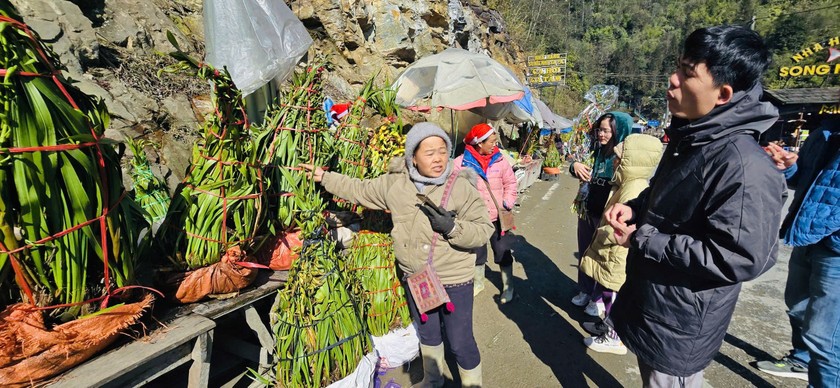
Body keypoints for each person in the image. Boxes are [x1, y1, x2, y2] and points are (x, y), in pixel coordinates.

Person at [604, 25, 786, 386]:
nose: (672, 80)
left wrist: (645, 239)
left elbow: (741, 257)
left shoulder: (743, 165)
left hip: (681, 322)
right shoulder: (693, 136)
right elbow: (670, 194)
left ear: (723, 93)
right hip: (654, 301)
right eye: (678, 67)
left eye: (687, 73)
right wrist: (637, 207)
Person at [301, 122, 493, 387]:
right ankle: (433, 380)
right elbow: (360, 189)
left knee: (460, 341)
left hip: (453, 278)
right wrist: (325, 178)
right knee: (428, 334)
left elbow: (484, 230)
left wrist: (452, 228)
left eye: (442, 151)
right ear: (412, 156)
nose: (438, 158)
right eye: (429, 152)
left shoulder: (460, 187)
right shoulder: (395, 185)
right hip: (418, 278)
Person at [756, 117, 840, 385]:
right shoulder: (826, 131)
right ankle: (801, 360)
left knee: (826, 338)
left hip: (836, 249)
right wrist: (788, 168)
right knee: (798, 308)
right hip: (809, 234)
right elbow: (809, 180)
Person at [578, 134, 663, 355]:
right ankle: (605, 326)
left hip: (617, 254)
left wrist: (603, 233)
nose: (615, 161)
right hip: (612, 252)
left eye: (620, 158)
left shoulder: (634, 188)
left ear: (632, 161)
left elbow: (620, 227)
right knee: (607, 290)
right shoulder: (626, 183)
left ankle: (614, 338)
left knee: (613, 295)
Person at [569, 111, 632, 317]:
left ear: (618, 130)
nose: (601, 134)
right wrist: (574, 165)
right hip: (587, 211)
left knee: (602, 257)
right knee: (585, 251)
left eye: (606, 130)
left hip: (607, 216)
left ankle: (598, 298)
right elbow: (573, 160)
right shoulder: (594, 150)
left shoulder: (623, 156)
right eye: (599, 130)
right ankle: (585, 290)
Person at [452, 123, 518, 303]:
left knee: (503, 251)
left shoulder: (500, 160)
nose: (494, 145)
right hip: (475, 219)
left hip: (498, 217)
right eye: (491, 142)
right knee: (477, 252)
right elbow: (453, 190)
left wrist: (507, 202)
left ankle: (508, 286)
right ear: (479, 143)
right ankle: (478, 283)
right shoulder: (460, 163)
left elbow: (511, 183)